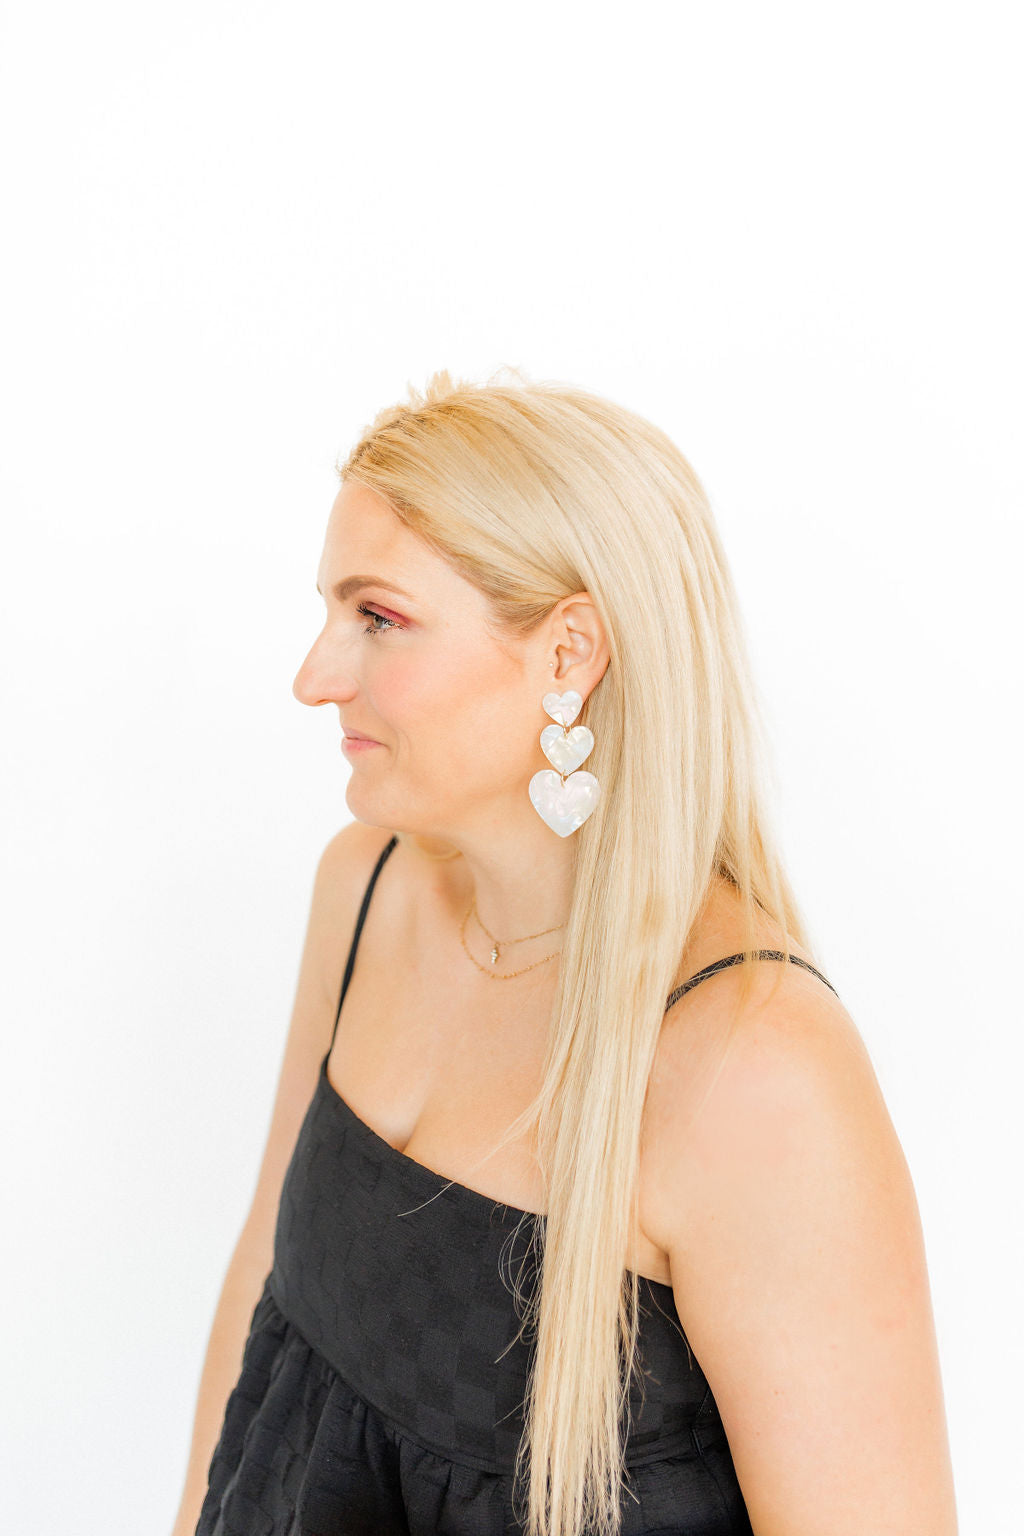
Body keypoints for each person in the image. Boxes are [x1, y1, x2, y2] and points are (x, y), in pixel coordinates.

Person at [172, 369, 958, 1536]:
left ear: (567, 653)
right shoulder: (366, 888)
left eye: (377, 617)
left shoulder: (755, 1068)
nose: (314, 677)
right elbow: (265, 1298)